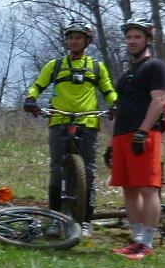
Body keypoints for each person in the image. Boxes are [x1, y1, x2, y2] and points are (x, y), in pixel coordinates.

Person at [22, 21, 117, 234]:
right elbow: (37, 86)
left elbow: (108, 90)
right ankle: (56, 219)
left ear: (86, 41)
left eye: (78, 37)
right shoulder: (54, 65)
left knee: (89, 172)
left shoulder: (96, 67)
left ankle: (86, 221)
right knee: (57, 169)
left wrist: (115, 104)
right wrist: (31, 99)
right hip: (59, 120)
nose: (73, 41)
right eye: (70, 37)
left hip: (88, 122)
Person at [108, 15, 165, 259]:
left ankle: (147, 243)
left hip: (144, 134)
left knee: (147, 188)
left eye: (137, 37)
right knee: (129, 189)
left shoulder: (156, 66)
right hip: (122, 135)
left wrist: (143, 131)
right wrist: (112, 143)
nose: (132, 41)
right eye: (129, 37)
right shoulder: (129, 72)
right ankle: (135, 240)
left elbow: (159, 100)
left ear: (148, 39)